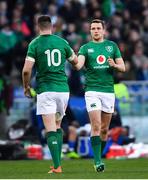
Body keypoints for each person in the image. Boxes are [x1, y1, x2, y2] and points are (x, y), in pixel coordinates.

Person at [22, 15, 78, 174]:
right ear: (52, 26)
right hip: (63, 91)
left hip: (46, 90)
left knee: (50, 130)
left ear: (38, 26)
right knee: (58, 126)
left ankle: (57, 166)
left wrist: (26, 87)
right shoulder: (62, 42)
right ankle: (57, 163)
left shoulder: (35, 43)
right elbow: (75, 62)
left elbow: (26, 70)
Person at [74, 19, 125, 172]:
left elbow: (122, 67)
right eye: (92, 28)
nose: (95, 31)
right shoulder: (85, 48)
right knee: (95, 126)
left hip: (108, 91)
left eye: (98, 28)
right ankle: (97, 162)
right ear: (90, 31)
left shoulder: (112, 46)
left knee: (104, 129)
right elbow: (79, 65)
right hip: (92, 91)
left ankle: (99, 156)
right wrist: (72, 58)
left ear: (103, 30)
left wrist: (114, 65)